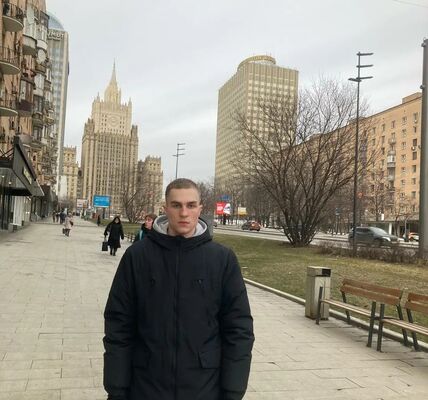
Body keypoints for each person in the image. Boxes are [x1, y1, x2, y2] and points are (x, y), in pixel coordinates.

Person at [103, 178, 254, 400]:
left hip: (204, 388)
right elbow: (118, 324)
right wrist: (116, 390)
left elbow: (239, 329)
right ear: (165, 209)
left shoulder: (222, 259)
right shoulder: (138, 256)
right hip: (146, 386)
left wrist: (233, 391)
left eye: (191, 205)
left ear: (200, 209)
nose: (184, 213)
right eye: (176, 205)